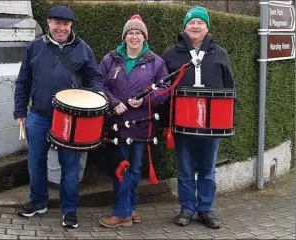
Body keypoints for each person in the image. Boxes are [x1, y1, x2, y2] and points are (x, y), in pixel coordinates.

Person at [13, 6, 104, 228]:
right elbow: (23, 80)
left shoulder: (83, 49)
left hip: (70, 119)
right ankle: (38, 202)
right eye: (57, 22)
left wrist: (97, 95)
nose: (61, 27)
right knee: (35, 163)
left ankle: (70, 210)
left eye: (66, 23)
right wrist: (19, 111)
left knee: (70, 167)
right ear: (48, 23)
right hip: (38, 116)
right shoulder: (35, 47)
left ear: (71, 25)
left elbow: (95, 78)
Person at [162, 6, 235, 229]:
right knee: (185, 168)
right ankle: (186, 209)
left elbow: (229, 88)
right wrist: (166, 123)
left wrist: (227, 119)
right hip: (183, 124)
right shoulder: (171, 54)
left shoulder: (220, 54)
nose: (195, 26)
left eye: (200, 22)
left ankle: (205, 209)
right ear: (185, 26)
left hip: (212, 126)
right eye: (191, 22)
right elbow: (164, 91)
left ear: (207, 26)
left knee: (207, 170)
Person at [97, 15, 169, 228]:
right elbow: (98, 84)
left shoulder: (156, 62)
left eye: (138, 33)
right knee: (121, 168)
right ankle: (122, 213)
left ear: (144, 37)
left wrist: (146, 100)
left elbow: (165, 90)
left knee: (136, 169)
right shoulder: (110, 59)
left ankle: (130, 208)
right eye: (130, 32)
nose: (134, 36)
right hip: (116, 124)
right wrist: (113, 102)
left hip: (142, 125)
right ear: (125, 36)